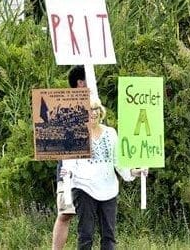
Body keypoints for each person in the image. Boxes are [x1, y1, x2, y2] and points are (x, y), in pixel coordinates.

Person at [62, 99, 147, 250]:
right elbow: (69, 162)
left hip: (108, 189)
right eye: (89, 109)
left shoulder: (111, 133)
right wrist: (67, 172)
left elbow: (118, 162)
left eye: (96, 109)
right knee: (86, 234)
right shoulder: (76, 133)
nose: (93, 113)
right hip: (84, 187)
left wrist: (134, 172)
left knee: (109, 235)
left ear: (100, 111)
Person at [52, 65, 86, 250]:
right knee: (65, 212)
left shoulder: (95, 106)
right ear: (80, 83)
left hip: (92, 170)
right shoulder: (63, 105)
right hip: (68, 169)